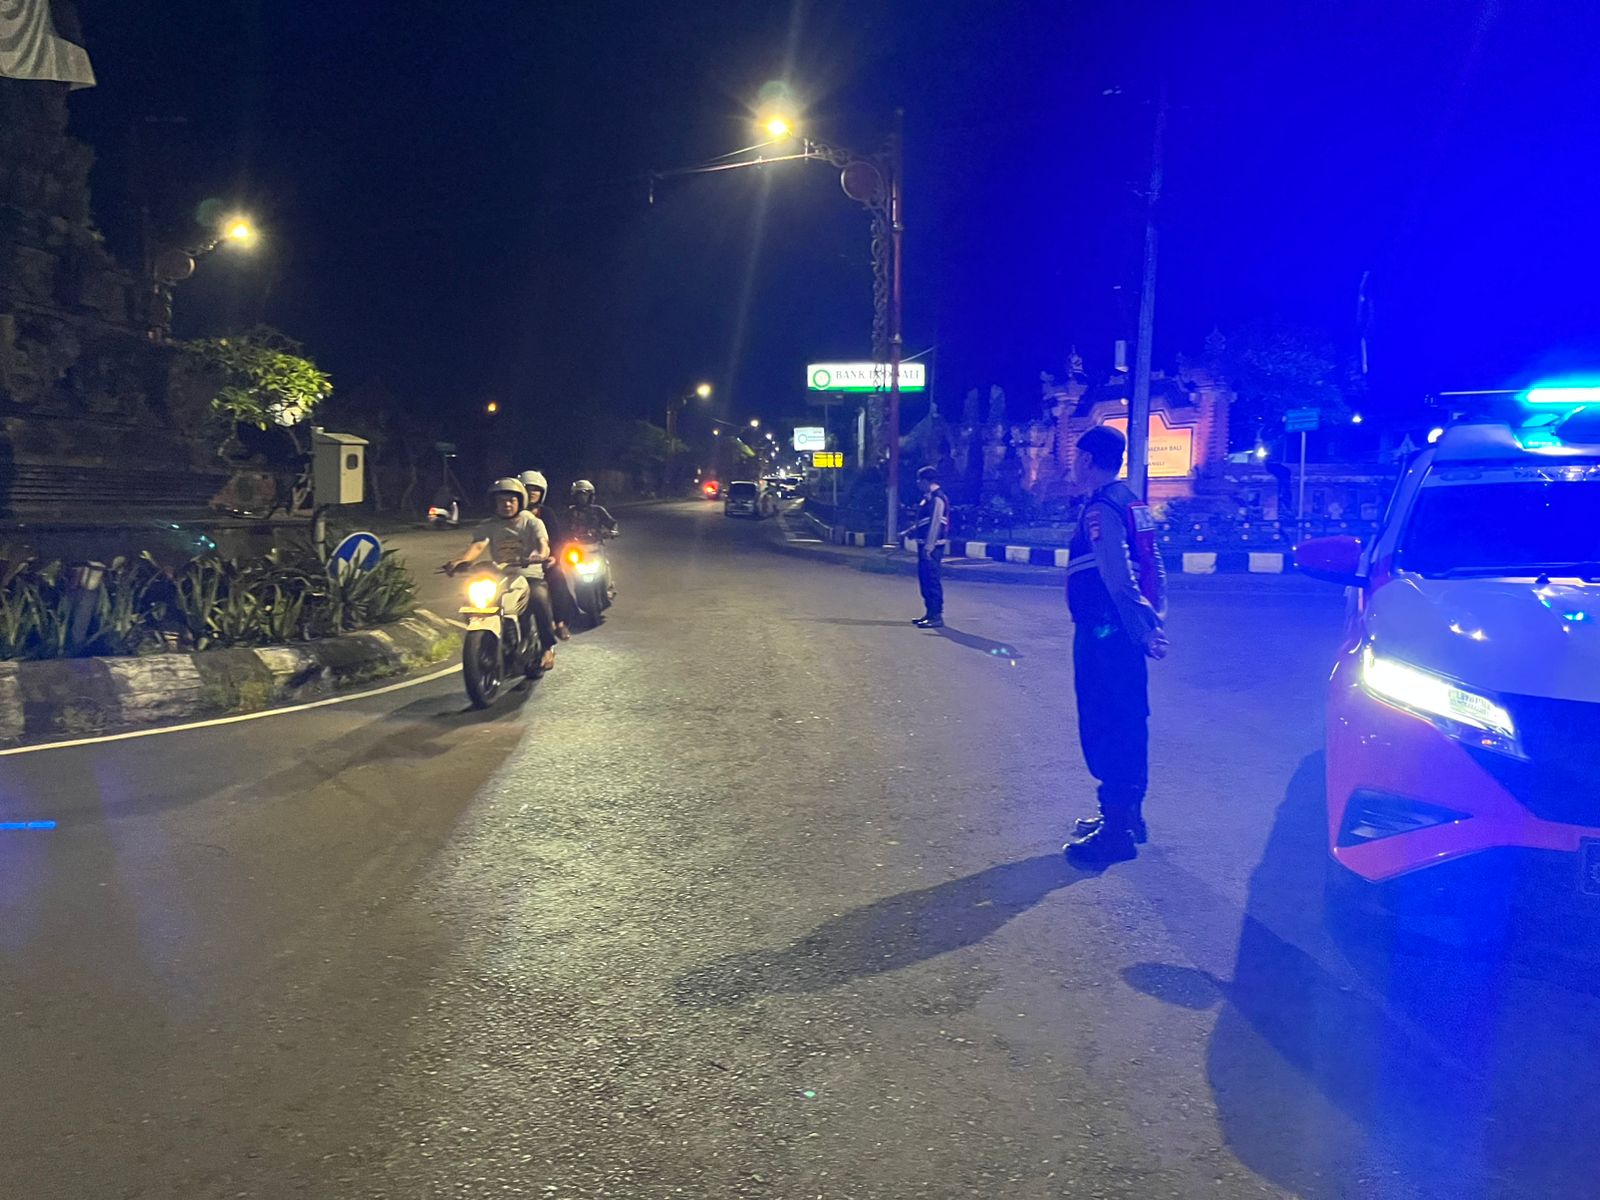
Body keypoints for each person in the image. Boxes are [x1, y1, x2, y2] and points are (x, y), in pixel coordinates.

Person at [1062, 425, 1169, 865]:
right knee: (1128, 717)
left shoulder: (1101, 508)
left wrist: (1143, 629)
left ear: (1087, 459)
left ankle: (1116, 831)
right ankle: (1127, 816)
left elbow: (1118, 576)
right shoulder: (1131, 501)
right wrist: (1154, 618)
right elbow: (1155, 564)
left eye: (1075, 457)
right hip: (1121, 631)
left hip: (1105, 632)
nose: (1072, 465)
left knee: (1106, 721)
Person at [444, 477, 558, 672]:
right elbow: (478, 545)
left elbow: (543, 544)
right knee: (475, 600)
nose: (506, 504)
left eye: (511, 500)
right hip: (500, 574)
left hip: (529, 573)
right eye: (501, 500)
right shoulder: (488, 525)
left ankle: (548, 647)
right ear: (494, 503)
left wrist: (539, 555)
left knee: (539, 598)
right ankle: (491, 641)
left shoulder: (532, 522)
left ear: (520, 501)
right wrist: (461, 561)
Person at [520, 469, 573, 641]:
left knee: (557, 578)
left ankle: (560, 623)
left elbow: (556, 539)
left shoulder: (546, 513)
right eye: (528, 489)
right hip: (516, 562)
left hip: (543, 561)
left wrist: (554, 557)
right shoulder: (511, 513)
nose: (532, 493)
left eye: (536, 489)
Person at [900, 465, 951, 628]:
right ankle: (929, 613)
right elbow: (924, 522)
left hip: (932, 548)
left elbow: (935, 525)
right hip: (925, 545)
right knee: (925, 580)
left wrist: (929, 548)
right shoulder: (928, 499)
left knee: (932, 580)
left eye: (919, 480)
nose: (917, 483)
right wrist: (910, 531)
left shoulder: (937, 499)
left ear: (926, 481)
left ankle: (936, 615)